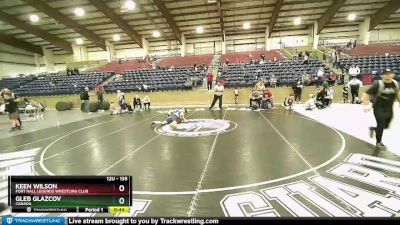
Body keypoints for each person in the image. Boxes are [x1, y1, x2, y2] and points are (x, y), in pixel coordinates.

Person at [362, 70, 400, 150]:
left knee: (386, 125)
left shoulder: (395, 84)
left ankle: (373, 129)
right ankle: (379, 142)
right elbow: (366, 94)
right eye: (386, 74)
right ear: (382, 76)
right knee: (381, 123)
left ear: (393, 75)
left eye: (390, 74)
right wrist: (365, 105)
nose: (388, 76)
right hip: (378, 107)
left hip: (389, 108)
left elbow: (398, 94)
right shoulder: (377, 84)